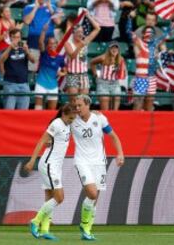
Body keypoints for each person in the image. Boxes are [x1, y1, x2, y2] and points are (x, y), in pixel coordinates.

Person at [72, 94, 124, 240]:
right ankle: (84, 223)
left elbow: (113, 136)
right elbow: (56, 121)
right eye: (75, 106)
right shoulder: (72, 120)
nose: (77, 108)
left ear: (88, 105)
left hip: (100, 162)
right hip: (82, 161)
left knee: (96, 197)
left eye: (80, 105)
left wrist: (120, 153)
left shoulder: (100, 118)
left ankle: (86, 228)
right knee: (92, 193)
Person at [25, 103, 77, 241]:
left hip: (56, 166)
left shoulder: (67, 124)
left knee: (49, 198)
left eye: (74, 118)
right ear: (64, 114)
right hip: (49, 164)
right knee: (59, 197)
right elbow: (42, 141)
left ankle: (44, 230)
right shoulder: (57, 123)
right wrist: (32, 161)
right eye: (70, 118)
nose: (72, 121)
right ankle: (35, 221)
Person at [131, 24, 173, 111]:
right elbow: (130, 33)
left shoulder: (155, 44)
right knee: (138, 103)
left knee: (150, 102)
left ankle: (148, 124)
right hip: (141, 77)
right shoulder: (139, 43)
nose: (149, 34)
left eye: (151, 33)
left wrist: (171, 25)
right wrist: (128, 18)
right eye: (147, 32)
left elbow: (165, 36)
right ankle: (135, 122)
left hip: (152, 77)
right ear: (143, 34)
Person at [64, 10, 100, 104]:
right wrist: (79, 46)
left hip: (83, 74)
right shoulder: (68, 43)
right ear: (73, 33)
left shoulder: (85, 41)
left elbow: (97, 28)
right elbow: (72, 56)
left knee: (84, 101)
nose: (81, 34)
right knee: (73, 101)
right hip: (72, 75)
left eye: (82, 32)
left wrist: (88, 16)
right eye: (78, 32)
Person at [0, 28, 35, 110]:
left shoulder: (24, 48)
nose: (16, 39)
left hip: (24, 83)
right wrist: (9, 48)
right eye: (14, 37)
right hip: (10, 84)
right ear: (10, 37)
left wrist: (27, 51)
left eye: (18, 37)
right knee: (9, 112)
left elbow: (33, 60)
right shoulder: (6, 49)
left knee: (23, 114)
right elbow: (1, 60)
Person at [23, 0, 61, 73]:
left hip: (49, 41)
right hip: (33, 40)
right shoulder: (28, 7)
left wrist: (50, 7)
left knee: (48, 66)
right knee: (32, 67)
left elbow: (58, 22)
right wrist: (35, 8)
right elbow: (27, 21)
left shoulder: (53, 7)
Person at [34, 23, 66, 110]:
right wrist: (44, 31)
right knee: (38, 110)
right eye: (50, 44)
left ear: (57, 44)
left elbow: (65, 68)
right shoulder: (44, 54)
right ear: (47, 45)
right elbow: (40, 42)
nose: (52, 45)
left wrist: (61, 73)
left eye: (54, 43)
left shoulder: (60, 58)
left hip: (53, 85)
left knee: (51, 111)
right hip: (41, 83)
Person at [90, 41, 126, 110]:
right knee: (105, 109)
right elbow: (92, 62)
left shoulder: (121, 59)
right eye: (112, 47)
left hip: (115, 83)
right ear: (109, 49)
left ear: (118, 50)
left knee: (115, 108)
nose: (114, 49)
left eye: (116, 48)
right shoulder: (103, 57)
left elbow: (123, 73)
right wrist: (95, 75)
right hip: (103, 83)